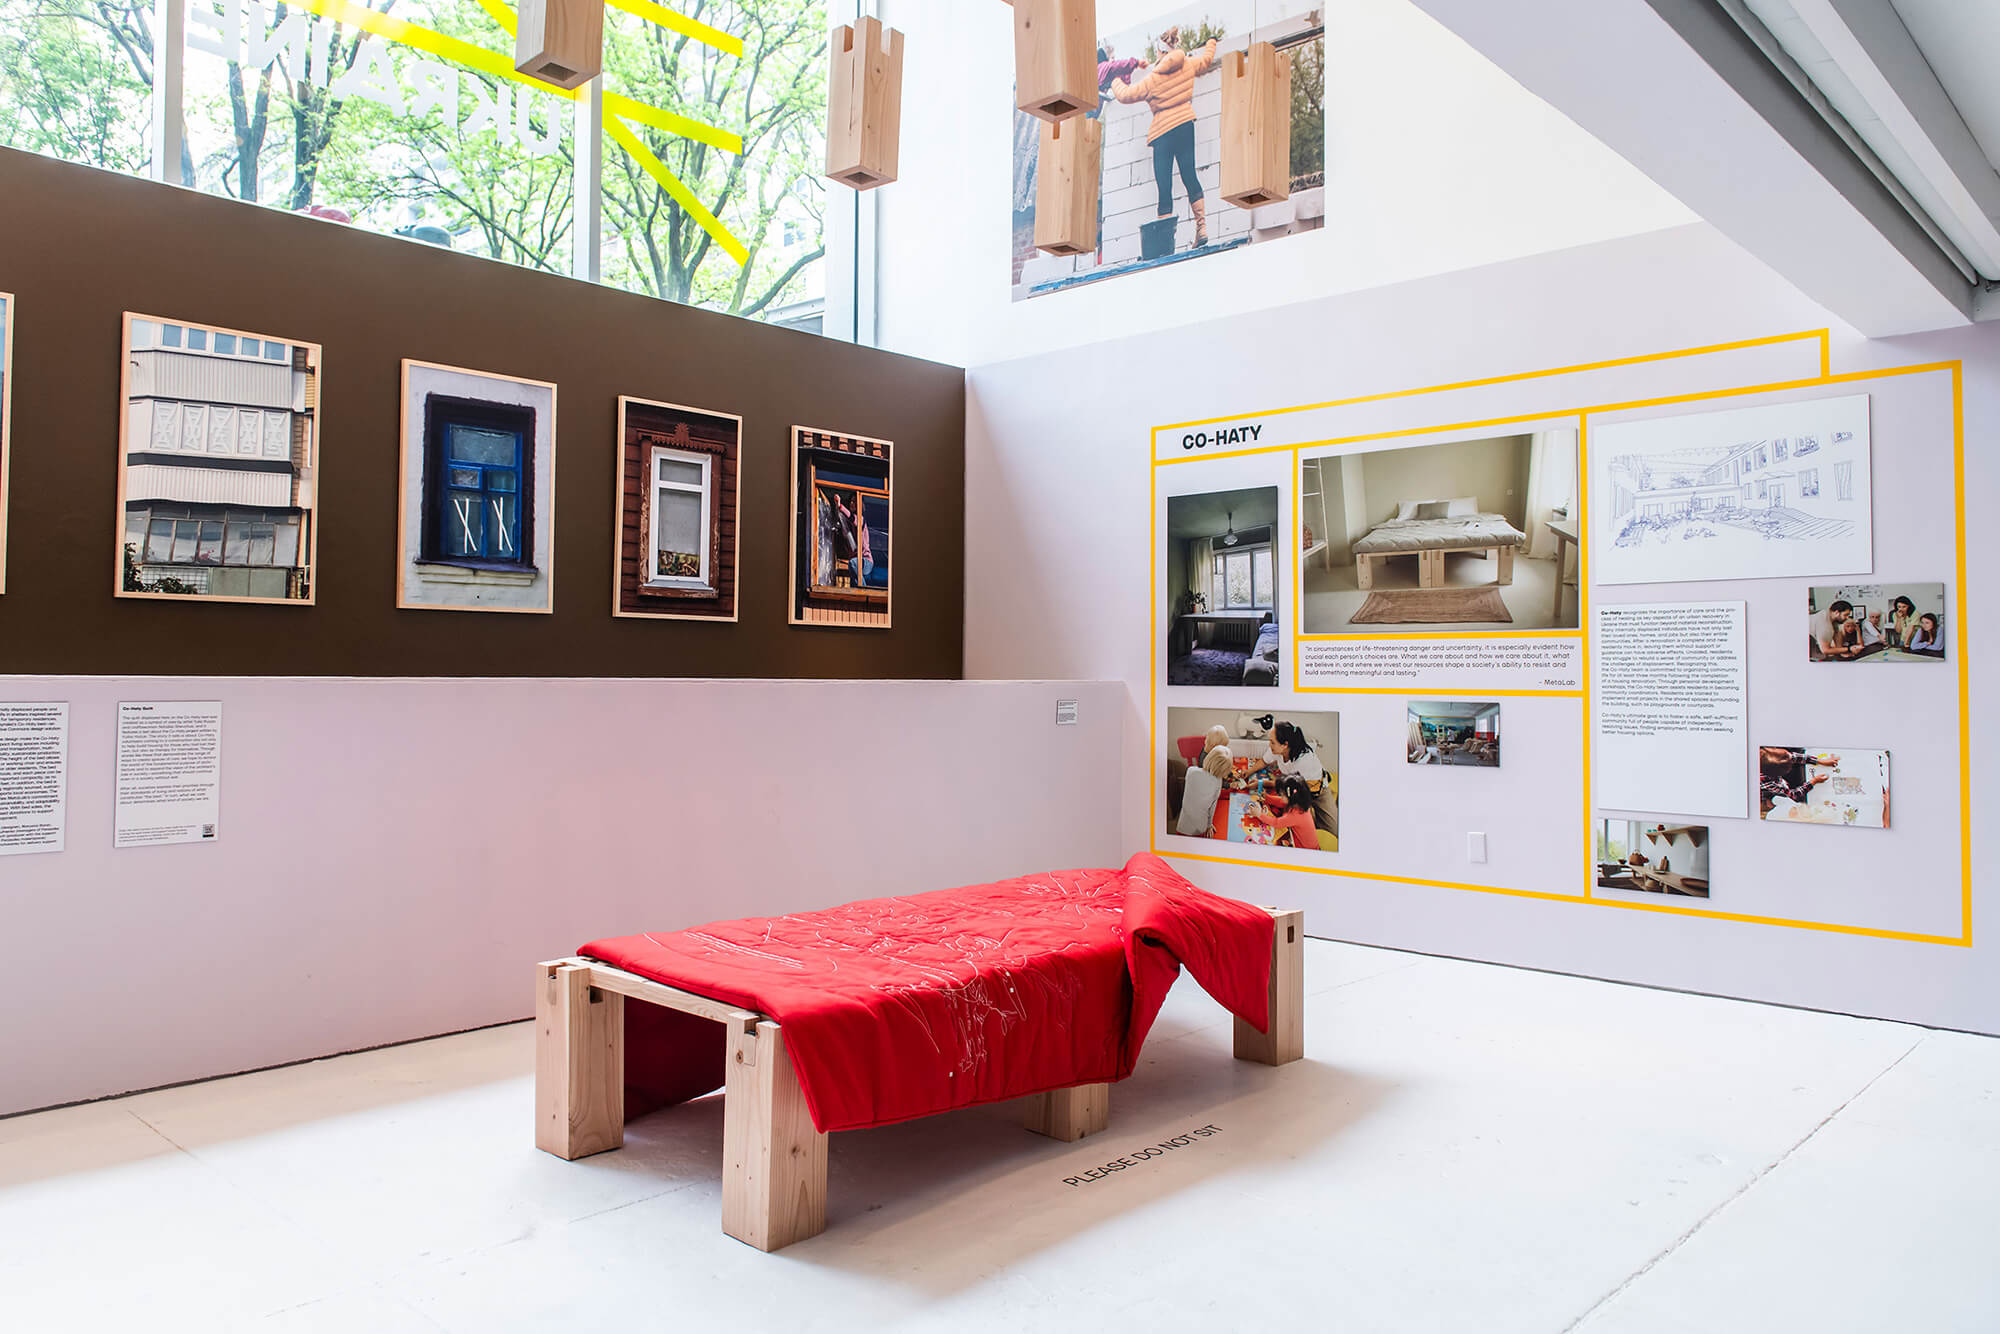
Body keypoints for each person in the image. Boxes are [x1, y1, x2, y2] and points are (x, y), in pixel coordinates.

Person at [1110, 28, 1220, 249]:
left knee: (1164, 187)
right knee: (1190, 176)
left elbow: (1126, 95)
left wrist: (1114, 80)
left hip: (1163, 132)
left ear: (1160, 52)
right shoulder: (1187, 63)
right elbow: (1207, 60)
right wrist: (1211, 41)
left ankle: (1166, 243)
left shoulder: (1152, 80)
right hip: (1185, 124)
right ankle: (1202, 228)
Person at [1250, 721, 1325, 792]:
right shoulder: (1277, 749)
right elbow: (1264, 761)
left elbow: (1294, 790)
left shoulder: (1303, 762)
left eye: (1272, 742)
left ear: (1285, 745)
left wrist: (1263, 783)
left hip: (1312, 789)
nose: (1269, 745)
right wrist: (1248, 772)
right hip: (1293, 784)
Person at [1249, 777, 1321, 850]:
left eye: (1282, 795)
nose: (1280, 796)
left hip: (1305, 849)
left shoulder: (1295, 815)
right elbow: (1282, 802)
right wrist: (1267, 798)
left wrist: (1259, 814)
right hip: (1307, 841)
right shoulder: (1299, 802)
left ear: (1291, 799)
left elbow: (1276, 823)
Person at [1176, 745, 1233, 838]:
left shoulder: (1191, 771)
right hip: (1200, 828)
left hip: (1183, 824)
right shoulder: (1218, 782)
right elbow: (1212, 807)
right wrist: (1209, 825)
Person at [1759, 746, 1831, 815]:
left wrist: (1819, 761)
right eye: (1790, 765)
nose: (1793, 761)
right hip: (1765, 791)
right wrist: (1813, 782)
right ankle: (1767, 799)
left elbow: (1792, 757)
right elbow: (1793, 794)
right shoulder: (1766, 782)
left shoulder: (1768, 757)